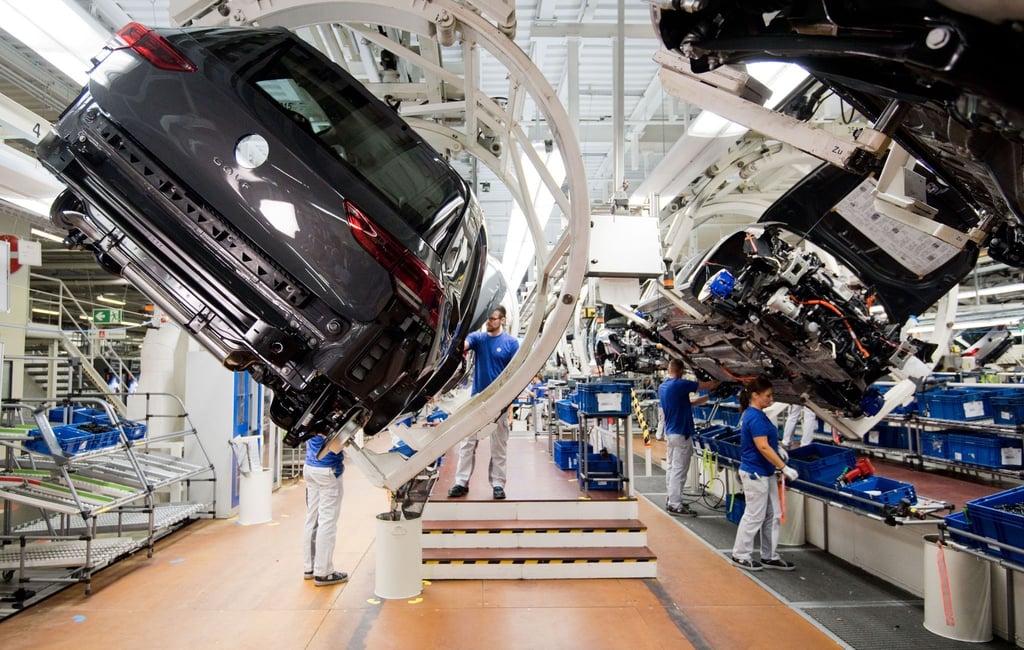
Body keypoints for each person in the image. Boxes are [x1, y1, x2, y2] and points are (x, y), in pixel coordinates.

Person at [448, 305, 520, 500]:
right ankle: (461, 483)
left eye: (493, 319)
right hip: (477, 400)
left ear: (502, 320)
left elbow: (515, 375)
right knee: (467, 443)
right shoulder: (479, 339)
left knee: (499, 446)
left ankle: (498, 484)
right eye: (487, 319)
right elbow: (464, 344)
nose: (489, 322)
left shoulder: (511, 344)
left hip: (500, 402)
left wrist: (510, 405)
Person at [731, 375, 799, 572]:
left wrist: (777, 447)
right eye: (768, 395)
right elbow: (762, 447)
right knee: (754, 516)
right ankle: (740, 554)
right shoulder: (754, 417)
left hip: (765, 473)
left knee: (773, 515)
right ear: (755, 395)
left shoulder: (757, 415)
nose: (771, 399)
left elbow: (766, 443)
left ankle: (769, 555)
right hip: (756, 474)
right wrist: (783, 467)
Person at [658, 359, 719, 516]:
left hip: (671, 434)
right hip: (681, 433)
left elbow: (689, 403)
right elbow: (708, 385)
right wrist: (722, 380)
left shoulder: (663, 387)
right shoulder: (679, 384)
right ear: (681, 371)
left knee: (672, 468)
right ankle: (675, 505)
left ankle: (671, 498)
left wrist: (710, 397)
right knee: (679, 470)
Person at [303, 432, 348, 586]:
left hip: (310, 467)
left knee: (312, 519)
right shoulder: (329, 413)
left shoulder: (311, 412)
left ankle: (309, 567)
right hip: (327, 471)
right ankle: (324, 572)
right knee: (327, 522)